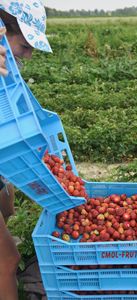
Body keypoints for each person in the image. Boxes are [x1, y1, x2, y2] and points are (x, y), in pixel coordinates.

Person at [0, 1, 51, 299]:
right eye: (25, 44)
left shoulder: (8, 67)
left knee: (7, 207)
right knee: (8, 259)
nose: (29, 54)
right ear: (3, 30)